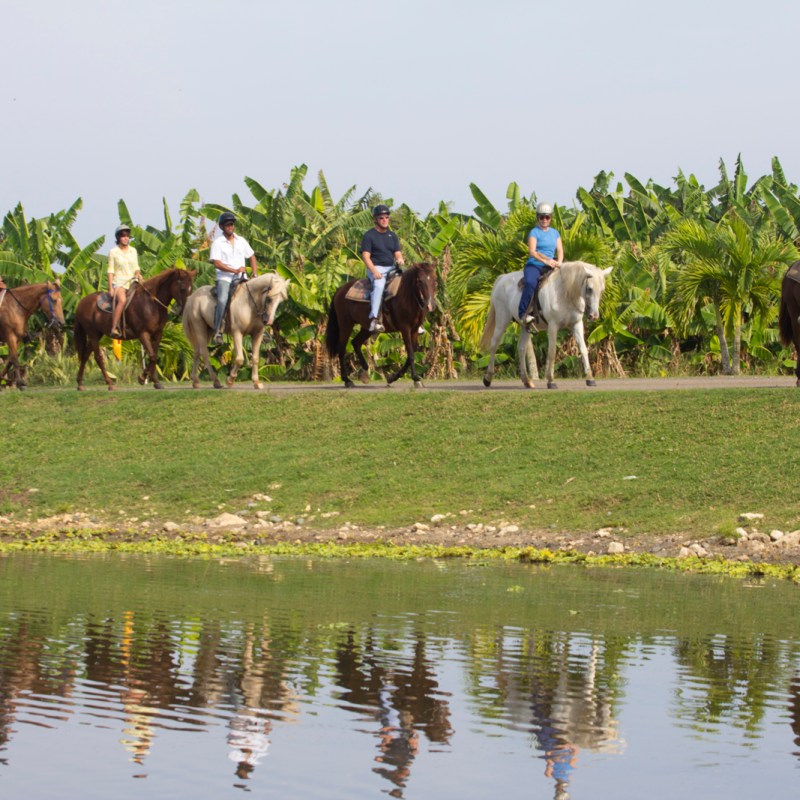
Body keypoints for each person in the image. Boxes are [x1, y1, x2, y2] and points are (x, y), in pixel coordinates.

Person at [210, 211, 259, 344]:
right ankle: (217, 331)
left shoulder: (241, 241)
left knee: (258, 298)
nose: (230, 227)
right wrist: (234, 270)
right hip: (225, 279)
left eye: (232, 224)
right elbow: (217, 263)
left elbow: (252, 257)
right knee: (222, 300)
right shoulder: (218, 243)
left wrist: (254, 273)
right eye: (227, 225)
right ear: (221, 227)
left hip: (242, 277)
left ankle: (261, 330)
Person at [360, 204, 405, 333]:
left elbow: (397, 252)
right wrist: (374, 271)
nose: (385, 220)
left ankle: (414, 319)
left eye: (387, 217)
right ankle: (374, 319)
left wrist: (400, 259)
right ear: (375, 219)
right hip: (376, 268)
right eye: (381, 218)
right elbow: (366, 256)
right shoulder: (369, 236)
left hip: (391, 268)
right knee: (379, 286)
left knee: (409, 282)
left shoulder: (392, 236)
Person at [519, 202, 564, 325]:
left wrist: (559, 263)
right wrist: (546, 261)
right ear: (538, 218)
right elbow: (532, 252)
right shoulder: (534, 232)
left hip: (552, 264)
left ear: (550, 218)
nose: (544, 220)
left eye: (547, 217)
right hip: (535, 264)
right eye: (542, 217)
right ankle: (523, 313)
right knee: (530, 282)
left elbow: (560, 250)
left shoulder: (555, 233)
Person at [108, 224, 143, 338]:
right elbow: (111, 271)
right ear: (118, 238)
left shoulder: (133, 251)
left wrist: (138, 274)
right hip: (120, 283)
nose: (126, 238)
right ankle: (114, 327)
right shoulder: (113, 252)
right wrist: (111, 288)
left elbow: (136, 267)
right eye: (123, 236)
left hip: (133, 281)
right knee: (122, 300)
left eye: (127, 236)